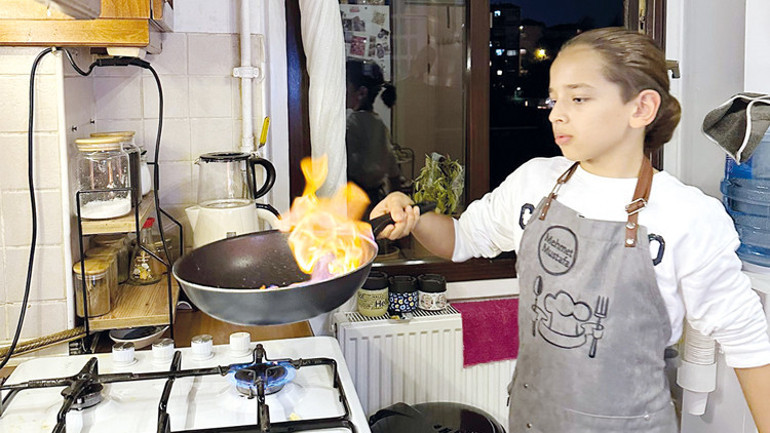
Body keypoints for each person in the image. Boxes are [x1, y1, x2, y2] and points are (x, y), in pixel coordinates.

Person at [370, 28, 770, 433]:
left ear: (641, 108)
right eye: (555, 98)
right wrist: (416, 220)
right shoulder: (533, 182)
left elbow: (747, 341)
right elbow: (460, 240)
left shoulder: (688, 215)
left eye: (578, 98)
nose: (556, 113)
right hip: (531, 420)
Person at [345, 59, 403, 207]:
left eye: (346, 85)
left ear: (361, 92)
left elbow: (348, 167)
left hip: (356, 199)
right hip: (375, 198)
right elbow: (393, 170)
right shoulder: (378, 123)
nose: (343, 90)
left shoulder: (353, 123)